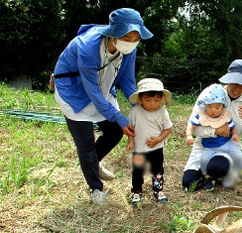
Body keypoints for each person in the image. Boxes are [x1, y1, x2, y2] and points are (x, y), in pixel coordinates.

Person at [52, 8, 153, 205]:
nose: (131, 42)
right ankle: (95, 187)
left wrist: (141, 106)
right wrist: (119, 115)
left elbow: (127, 81)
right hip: (74, 92)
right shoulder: (88, 47)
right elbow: (92, 92)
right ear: (113, 33)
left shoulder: (129, 48)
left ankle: (91, 164)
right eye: (126, 36)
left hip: (102, 89)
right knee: (86, 143)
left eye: (136, 38)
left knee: (115, 131)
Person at [182, 59, 242, 191]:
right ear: (228, 79)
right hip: (204, 146)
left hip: (227, 146)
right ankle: (215, 174)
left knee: (217, 167)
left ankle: (221, 171)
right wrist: (215, 131)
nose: (237, 89)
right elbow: (194, 129)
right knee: (188, 183)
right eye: (235, 82)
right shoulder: (210, 93)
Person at [126, 78, 173, 206]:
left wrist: (159, 139)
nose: (152, 103)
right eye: (148, 100)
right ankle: (136, 191)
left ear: (161, 99)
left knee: (157, 170)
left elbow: (167, 128)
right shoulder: (136, 111)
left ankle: (158, 190)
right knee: (138, 171)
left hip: (156, 149)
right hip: (139, 149)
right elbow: (130, 128)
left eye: (156, 100)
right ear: (141, 99)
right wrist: (130, 142)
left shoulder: (162, 111)